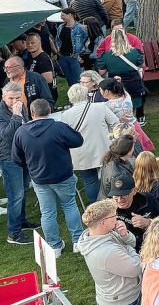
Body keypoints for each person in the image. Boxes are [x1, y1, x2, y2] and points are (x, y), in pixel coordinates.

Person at [12, 99, 83, 254]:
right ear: (50, 111)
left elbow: (16, 158)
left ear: (32, 113)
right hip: (63, 176)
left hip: (39, 178)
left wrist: (31, 164)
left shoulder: (21, 132)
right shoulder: (58, 127)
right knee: (69, 205)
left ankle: (54, 246)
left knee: (48, 212)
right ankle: (77, 241)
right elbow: (78, 140)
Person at [77, 199, 144, 305]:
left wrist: (125, 235)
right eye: (114, 216)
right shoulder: (107, 252)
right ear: (102, 222)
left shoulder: (100, 234)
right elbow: (136, 267)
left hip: (111, 301)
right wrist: (128, 249)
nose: (117, 219)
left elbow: (131, 243)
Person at [60, 83, 119, 204]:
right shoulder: (100, 107)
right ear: (86, 94)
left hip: (80, 152)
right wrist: (112, 138)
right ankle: (113, 201)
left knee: (89, 180)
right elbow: (115, 123)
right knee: (109, 176)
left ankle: (96, 205)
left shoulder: (65, 115)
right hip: (102, 147)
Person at [0, 84, 38, 245]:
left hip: (23, 155)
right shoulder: (3, 112)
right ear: (3, 97)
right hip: (9, 157)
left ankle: (21, 221)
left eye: (17, 97)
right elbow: (6, 135)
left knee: (23, 190)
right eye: (11, 98)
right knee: (15, 195)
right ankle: (14, 233)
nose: (15, 101)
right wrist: (16, 115)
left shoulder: (21, 107)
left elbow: (26, 125)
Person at [107, 171, 159, 251]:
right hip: (126, 251)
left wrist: (148, 222)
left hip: (152, 246)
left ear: (134, 191)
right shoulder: (108, 208)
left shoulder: (147, 199)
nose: (120, 200)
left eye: (124, 195)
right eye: (116, 196)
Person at [96, 29, 146, 122]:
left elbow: (101, 72)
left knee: (119, 112)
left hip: (115, 85)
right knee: (133, 107)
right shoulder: (135, 52)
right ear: (125, 38)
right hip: (133, 83)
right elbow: (142, 65)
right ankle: (137, 123)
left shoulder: (106, 56)